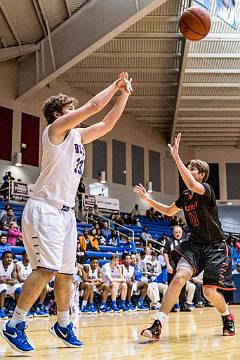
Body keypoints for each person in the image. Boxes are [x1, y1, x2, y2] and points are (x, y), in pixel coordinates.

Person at [0, 72, 132, 353]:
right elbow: (94, 107)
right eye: (71, 108)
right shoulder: (56, 131)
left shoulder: (78, 136)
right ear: (58, 114)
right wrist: (115, 84)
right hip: (44, 208)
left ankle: (63, 323)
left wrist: (125, 95)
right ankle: (14, 324)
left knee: (66, 274)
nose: (76, 111)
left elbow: (107, 123)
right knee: (46, 269)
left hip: (66, 213)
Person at [134, 133, 235, 340]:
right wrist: (147, 199)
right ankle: (158, 324)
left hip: (215, 246)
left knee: (208, 292)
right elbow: (169, 211)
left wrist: (177, 157)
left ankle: (227, 315)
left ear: (201, 175)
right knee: (179, 277)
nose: (188, 172)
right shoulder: (185, 196)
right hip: (195, 245)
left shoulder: (205, 190)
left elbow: (190, 184)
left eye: (192, 169)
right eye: (188, 168)